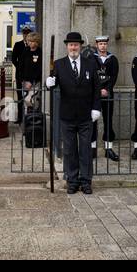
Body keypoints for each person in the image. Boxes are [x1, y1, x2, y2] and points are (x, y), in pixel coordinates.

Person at [45, 31, 101, 194]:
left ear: (80, 46)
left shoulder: (90, 63)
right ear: (67, 46)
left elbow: (96, 88)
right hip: (67, 115)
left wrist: (96, 108)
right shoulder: (59, 64)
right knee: (69, 151)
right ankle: (72, 180)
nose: (73, 47)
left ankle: (86, 181)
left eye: (76, 45)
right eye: (70, 45)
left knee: (85, 150)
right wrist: (48, 83)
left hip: (86, 115)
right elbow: (52, 84)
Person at [92, 35, 119, 161]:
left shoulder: (113, 59)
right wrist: (98, 90)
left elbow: (113, 77)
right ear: (96, 44)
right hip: (94, 94)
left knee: (108, 120)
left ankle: (108, 148)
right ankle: (92, 148)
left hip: (108, 93)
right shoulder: (91, 59)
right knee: (93, 121)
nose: (103, 46)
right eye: (100, 43)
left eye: (105, 44)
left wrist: (106, 89)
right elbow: (91, 77)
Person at [10, 28, 41, 119]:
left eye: (32, 41)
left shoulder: (39, 52)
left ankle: (32, 123)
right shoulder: (25, 50)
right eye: (29, 41)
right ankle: (22, 120)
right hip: (23, 80)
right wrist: (23, 79)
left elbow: (39, 68)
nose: (30, 43)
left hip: (34, 81)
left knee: (33, 102)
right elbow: (20, 64)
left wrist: (31, 81)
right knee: (23, 100)